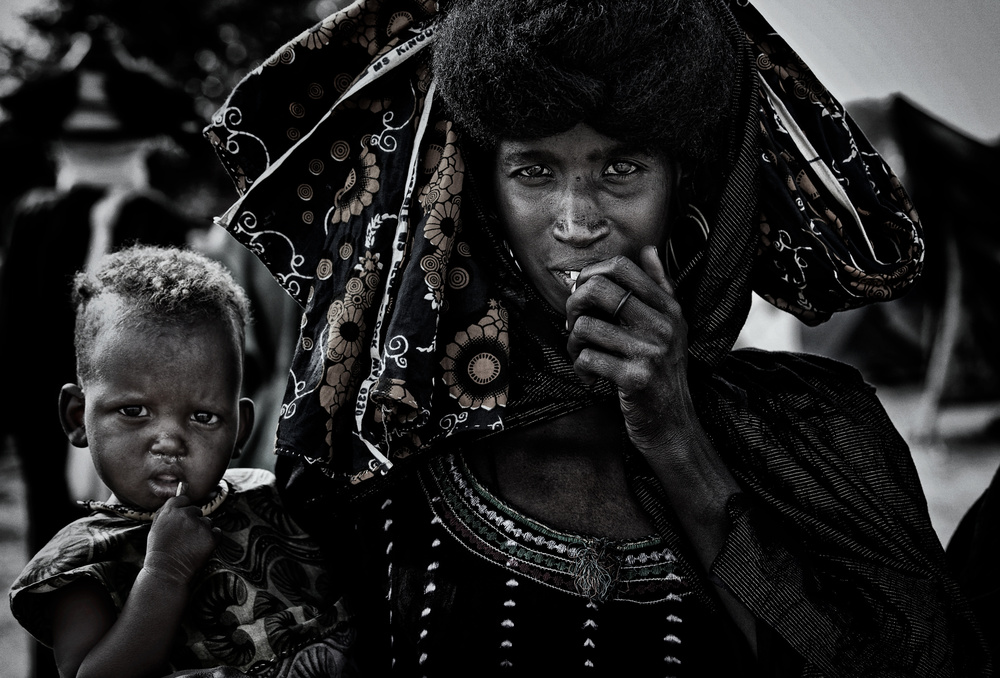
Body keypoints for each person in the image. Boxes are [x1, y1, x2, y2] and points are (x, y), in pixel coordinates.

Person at [204, 0, 991, 674]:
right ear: (479, 197)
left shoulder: (824, 430)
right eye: (534, 172)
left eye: (621, 170)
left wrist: (677, 432)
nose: (577, 223)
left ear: (690, 187)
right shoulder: (392, 459)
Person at [8, 245, 353, 678]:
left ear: (240, 429)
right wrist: (165, 572)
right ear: (78, 417)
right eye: (134, 412)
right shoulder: (81, 563)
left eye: (203, 417)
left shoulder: (272, 495)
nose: (169, 441)